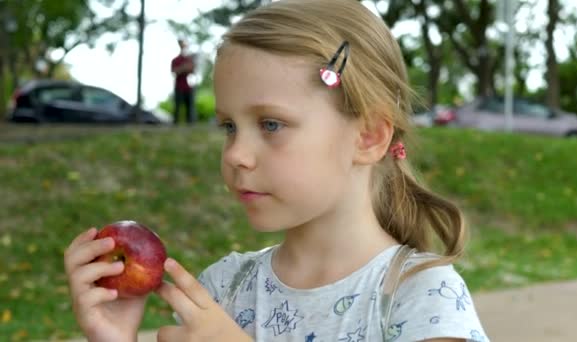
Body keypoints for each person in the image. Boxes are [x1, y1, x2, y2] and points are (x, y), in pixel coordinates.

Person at [63, 0, 489, 341]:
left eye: (271, 124)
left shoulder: (422, 297)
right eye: (229, 127)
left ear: (368, 137)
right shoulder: (224, 288)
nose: (235, 155)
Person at [171, 39, 196, 124]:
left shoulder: (189, 59)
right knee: (177, 106)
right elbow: (174, 72)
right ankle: (175, 124)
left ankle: (190, 125)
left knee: (189, 107)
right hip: (178, 86)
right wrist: (183, 68)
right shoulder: (175, 60)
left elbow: (192, 71)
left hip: (188, 87)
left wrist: (186, 68)